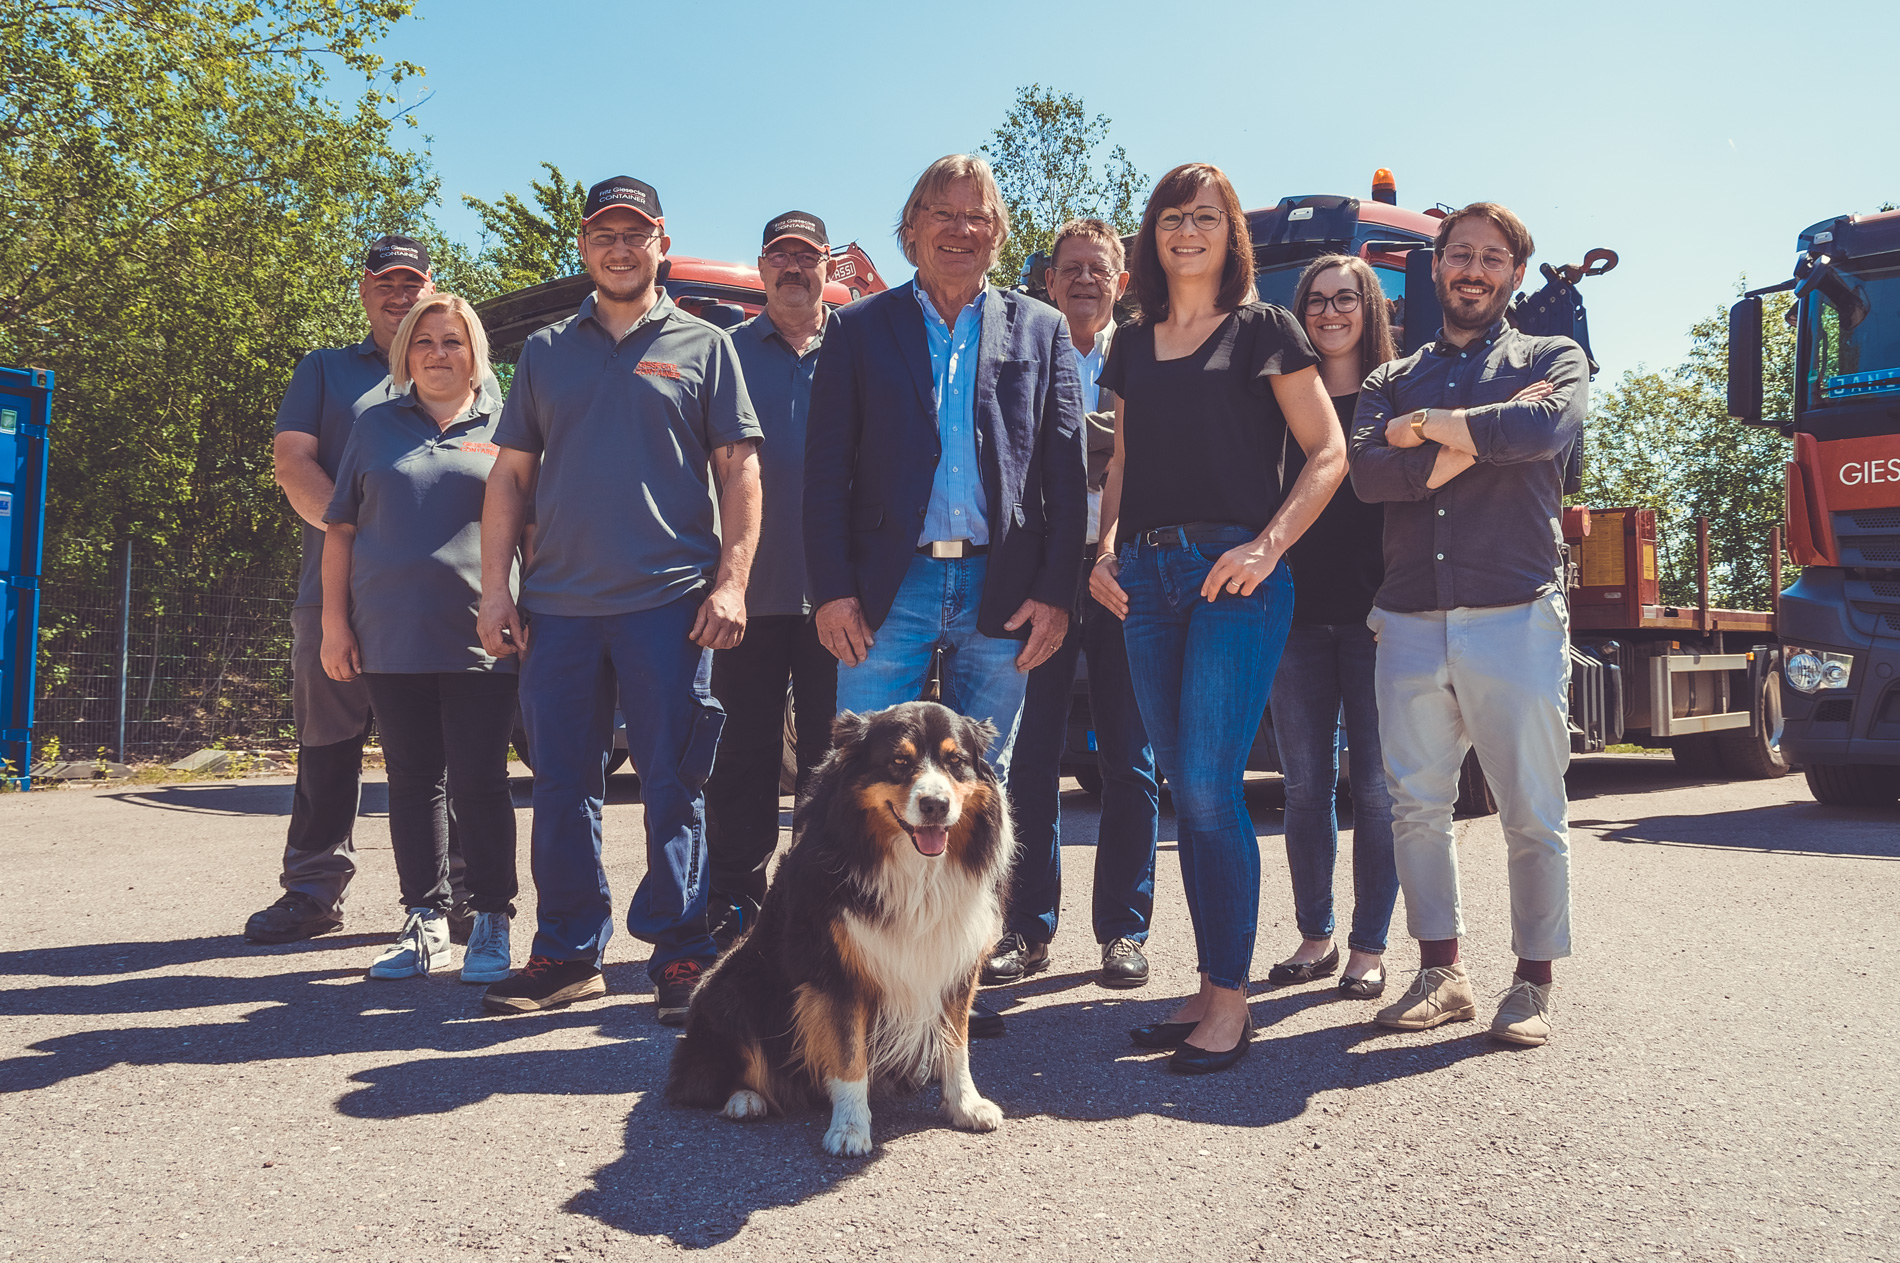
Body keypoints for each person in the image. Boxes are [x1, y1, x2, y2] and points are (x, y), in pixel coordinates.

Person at [805, 154, 1087, 1038]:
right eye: (943, 214)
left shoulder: (1042, 330)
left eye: (978, 217)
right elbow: (822, 474)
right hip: (891, 586)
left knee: (976, 792)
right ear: (911, 228)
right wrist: (833, 591)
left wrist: (1056, 592)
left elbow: (1067, 474)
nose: (961, 230)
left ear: (999, 234)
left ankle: (953, 985)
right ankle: (848, 975)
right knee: (860, 783)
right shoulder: (858, 329)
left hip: (1005, 587)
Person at [476, 175, 763, 1025]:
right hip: (558, 608)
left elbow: (741, 470)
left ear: (660, 241)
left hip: (670, 605)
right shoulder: (547, 353)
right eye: (605, 233)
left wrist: (734, 580)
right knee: (564, 784)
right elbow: (510, 479)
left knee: (676, 783)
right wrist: (498, 589)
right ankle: (567, 951)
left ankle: (679, 952)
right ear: (584, 245)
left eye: (635, 233)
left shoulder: (706, 346)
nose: (620, 246)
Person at [1091, 163, 1347, 1075]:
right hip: (1147, 582)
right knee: (1180, 792)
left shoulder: (1266, 330)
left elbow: (1328, 451)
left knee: (1208, 787)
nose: (1186, 230)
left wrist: (1268, 546)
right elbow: (1123, 462)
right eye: (1171, 216)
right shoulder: (1130, 341)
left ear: (1229, 232)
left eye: (1204, 217)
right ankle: (1207, 987)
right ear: (1152, 234)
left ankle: (1231, 1007)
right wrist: (1105, 547)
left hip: (1235, 578)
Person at [1349, 202, 1586, 1047]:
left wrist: (1433, 434)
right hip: (1409, 616)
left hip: (1515, 612)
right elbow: (1368, 475)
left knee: (1532, 808)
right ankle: (1442, 973)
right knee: (1416, 808)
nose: (1473, 270)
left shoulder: (1552, 357)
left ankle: (1532, 983)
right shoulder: (1390, 376)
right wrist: (1478, 437)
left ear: (1515, 274)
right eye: (1459, 255)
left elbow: (1545, 425)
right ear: (1438, 266)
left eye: (1491, 257)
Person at [247, 236, 483, 945]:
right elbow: (293, 461)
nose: (399, 293)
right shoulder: (324, 370)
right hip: (336, 593)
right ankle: (314, 887)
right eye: (385, 281)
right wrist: (359, 532)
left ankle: (466, 896)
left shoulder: (471, 376)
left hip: (443, 601)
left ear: (431, 287)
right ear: (364, 290)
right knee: (330, 737)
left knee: (455, 749)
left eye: (412, 281)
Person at [320, 293, 521, 984]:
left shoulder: (508, 422)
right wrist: (333, 622)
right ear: (406, 352)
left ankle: (491, 917)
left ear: (476, 354)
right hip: (391, 635)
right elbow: (341, 528)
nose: (440, 352)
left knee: (480, 780)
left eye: (454, 341)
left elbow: (532, 529)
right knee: (411, 781)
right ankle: (425, 920)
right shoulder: (373, 425)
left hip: (481, 640)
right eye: (426, 341)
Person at [987, 217, 1160, 993]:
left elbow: (1156, 459)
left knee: (1131, 761)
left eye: (1099, 268)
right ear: (1048, 282)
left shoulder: (1147, 357)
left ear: (1121, 282)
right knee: (1031, 762)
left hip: (1125, 575)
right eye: (1071, 269)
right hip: (1046, 578)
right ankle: (1027, 928)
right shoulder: (1026, 355)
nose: (1085, 279)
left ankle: (1124, 930)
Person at [1264, 255, 1401, 999]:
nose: (1328, 311)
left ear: (1368, 306)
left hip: (1380, 619)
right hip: (1296, 614)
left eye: (1345, 298)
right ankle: (1315, 935)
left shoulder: (1395, 393)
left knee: (1377, 789)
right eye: (1315, 300)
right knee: (1306, 784)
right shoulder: (1286, 395)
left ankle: (1368, 945)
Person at [702, 212, 840, 949]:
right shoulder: (723, 352)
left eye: (807, 255)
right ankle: (734, 900)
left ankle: (820, 903)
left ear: (828, 265)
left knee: (831, 764)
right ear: (760, 268)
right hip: (745, 594)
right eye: (780, 255)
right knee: (741, 758)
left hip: (838, 596)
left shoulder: (857, 347)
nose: (793, 267)